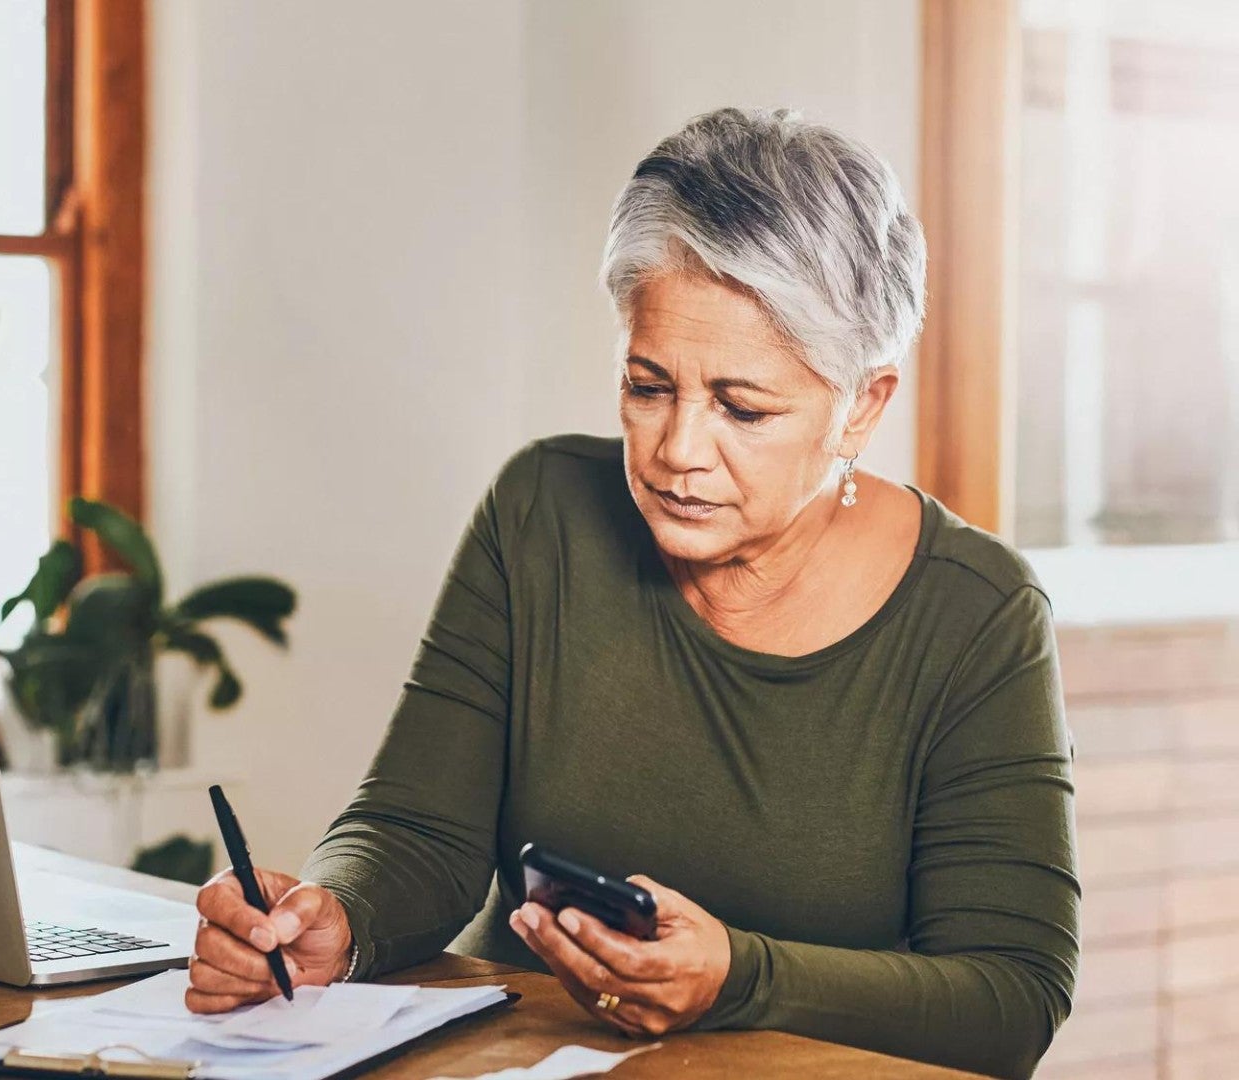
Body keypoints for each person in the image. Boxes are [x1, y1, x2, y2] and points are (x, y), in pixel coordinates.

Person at [184, 107, 1078, 1080]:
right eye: (649, 387)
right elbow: (416, 829)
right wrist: (337, 920)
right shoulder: (542, 511)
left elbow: (1011, 997)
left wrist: (741, 977)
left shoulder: (978, 614)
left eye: (742, 407)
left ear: (862, 403)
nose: (679, 452)